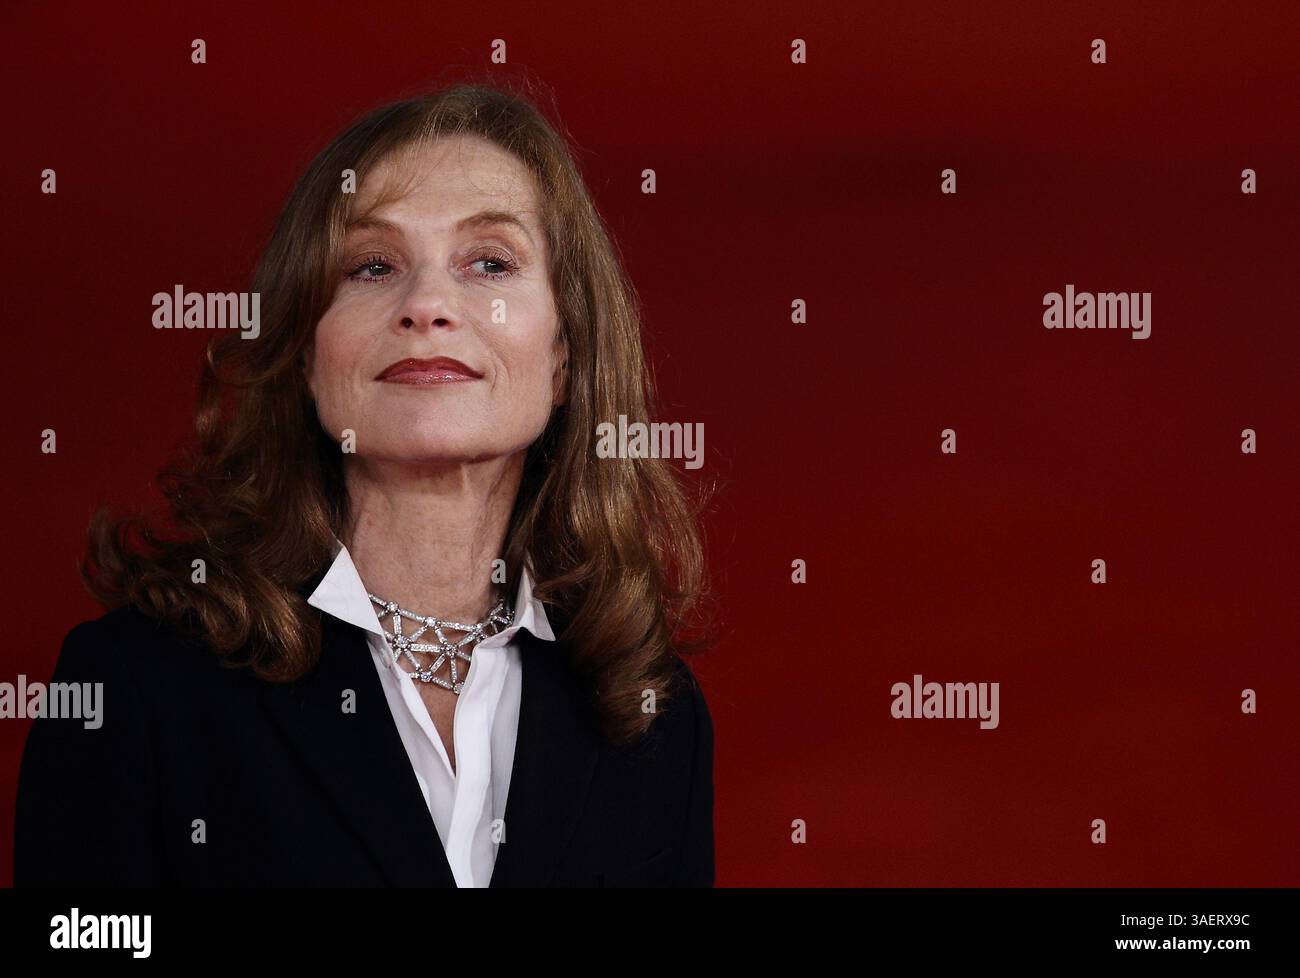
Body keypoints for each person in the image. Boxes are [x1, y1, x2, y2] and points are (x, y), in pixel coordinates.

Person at [14, 80, 717, 887]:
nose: (427, 304)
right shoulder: (135, 687)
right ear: (307, 356)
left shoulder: (651, 712)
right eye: (372, 265)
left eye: (490, 262)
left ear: (563, 358)